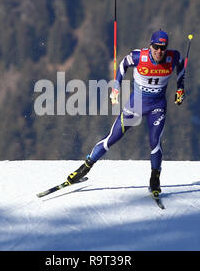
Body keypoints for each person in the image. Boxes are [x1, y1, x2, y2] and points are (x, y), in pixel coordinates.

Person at [66, 30, 186, 197]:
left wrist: (180, 88)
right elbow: (122, 65)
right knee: (112, 138)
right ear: (150, 46)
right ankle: (83, 169)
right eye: (156, 47)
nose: (159, 51)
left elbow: (181, 65)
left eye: (163, 48)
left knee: (155, 141)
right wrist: (116, 87)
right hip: (135, 105)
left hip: (157, 106)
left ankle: (154, 180)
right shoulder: (139, 57)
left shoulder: (173, 57)